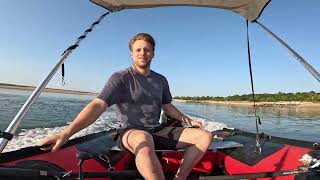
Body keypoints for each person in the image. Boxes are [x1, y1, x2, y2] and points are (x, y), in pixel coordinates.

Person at [39, 33, 213, 180]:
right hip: (129, 132)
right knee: (144, 139)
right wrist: (66, 133)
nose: (142, 53)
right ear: (131, 54)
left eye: (147, 50)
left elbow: (167, 106)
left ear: (153, 53)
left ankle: (180, 177)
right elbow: (97, 105)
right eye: (138, 50)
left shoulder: (161, 80)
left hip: (157, 130)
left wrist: (188, 120)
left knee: (204, 136)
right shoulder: (120, 78)